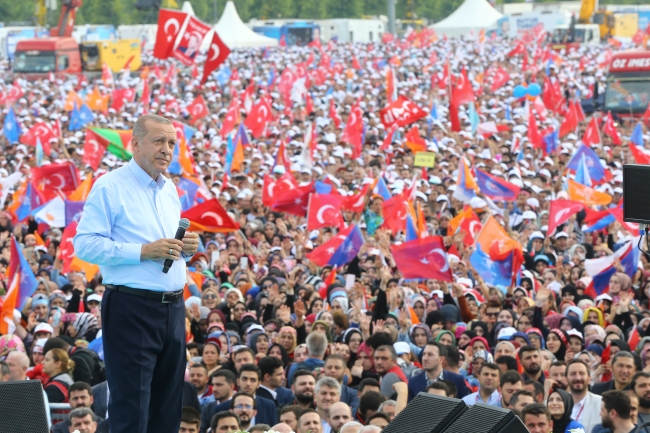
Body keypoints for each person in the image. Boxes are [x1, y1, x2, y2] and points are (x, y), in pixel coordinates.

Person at [74, 114, 200, 433]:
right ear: (135, 144)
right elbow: (85, 245)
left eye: (172, 143)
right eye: (159, 141)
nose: (167, 149)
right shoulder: (110, 186)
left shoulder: (169, 188)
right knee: (132, 408)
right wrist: (143, 250)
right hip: (132, 308)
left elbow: (166, 246)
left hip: (173, 308)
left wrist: (186, 247)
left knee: (167, 407)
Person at [567, 359, 602, 433]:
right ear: (566, 379)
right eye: (573, 374)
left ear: (589, 378)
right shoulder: (556, 403)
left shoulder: (601, 403)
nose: (578, 378)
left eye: (582, 373)